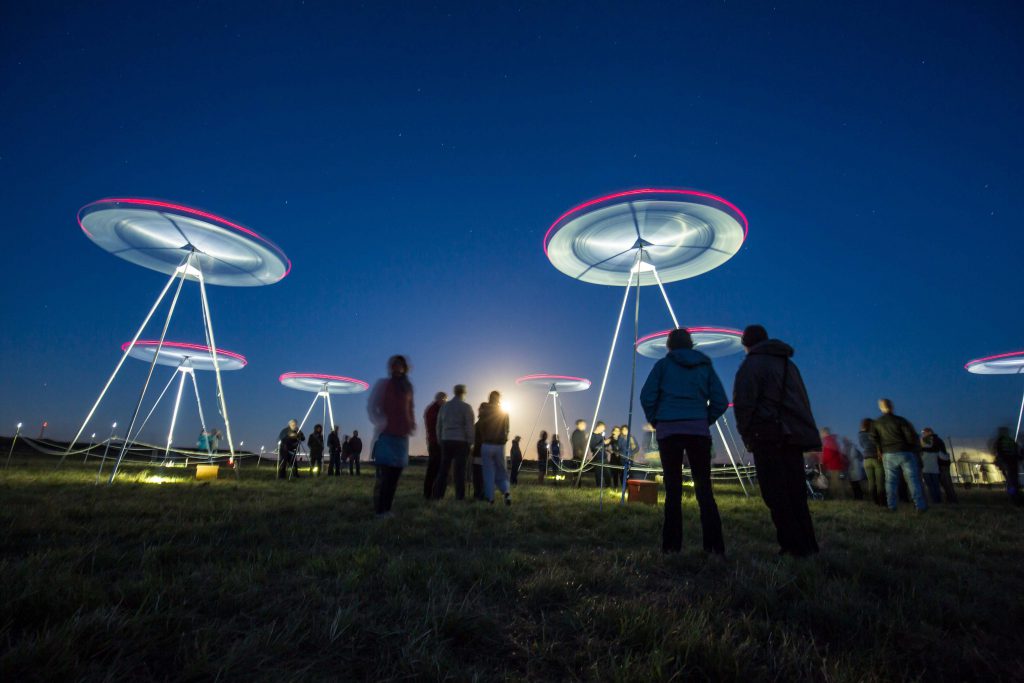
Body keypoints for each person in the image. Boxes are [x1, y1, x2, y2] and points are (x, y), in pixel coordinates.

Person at [732, 325, 821, 557]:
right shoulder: (789, 365)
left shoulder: (751, 365)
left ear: (746, 343)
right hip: (792, 435)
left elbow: (744, 404)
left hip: (767, 435)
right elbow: (801, 400)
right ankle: (808, 544)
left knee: (775, 492)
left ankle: (792, 546)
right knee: (796, 492)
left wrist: (747, 434)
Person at [641, 327, 728, 555]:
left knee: (673, 489)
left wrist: (657, 420)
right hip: (698, 432)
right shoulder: (705, 365)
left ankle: (671, 547)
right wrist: (703, 419)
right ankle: (714, 547)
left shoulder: (662, 366)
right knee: (704, 489)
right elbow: (720, 400)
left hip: (669, 432)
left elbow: (646, 396)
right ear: (691, 344)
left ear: (669, 345)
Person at [367, 355, 416, 516]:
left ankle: (387, 508)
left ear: (404, 367)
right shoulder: (383, 384)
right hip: (387, 435)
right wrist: (382, 422)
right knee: (385, 475)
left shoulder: (407, 387)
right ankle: (380, 510)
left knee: (395, 475)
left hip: (402, 437)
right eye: (394, 364)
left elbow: (410, 408)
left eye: (400, 365)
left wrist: (411, 423)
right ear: (390, 367)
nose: (397, 367)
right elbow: (372, 406)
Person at [869, 398, 928, 512]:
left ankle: (892, 505)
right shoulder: (901, 420)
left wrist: (880, 448)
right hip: (904, 451)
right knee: (912, 479)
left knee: (891, 481)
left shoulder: (877, 423)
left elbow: (873, 437)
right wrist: (909, 447)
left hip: (888, 453)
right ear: (892, 407)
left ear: (881, 408)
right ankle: (919, 505)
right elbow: (910, 436)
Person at [432, 384, 475, 500]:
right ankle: (460, 497)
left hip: (446, 440)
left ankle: (438, 496)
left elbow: (439, 425)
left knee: (443, 470)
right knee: (459, 471)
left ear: (454, 392)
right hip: (461, 442)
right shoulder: (466, 407)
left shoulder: (445, 407)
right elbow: (469, 426)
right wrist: (471, 442)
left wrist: (440, 439)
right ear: (464, 393)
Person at [476, 390, 512, 505]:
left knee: (488, 473)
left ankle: (490, 498)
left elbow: (480, 426)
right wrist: (504, 439)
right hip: (500, 446)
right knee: (502, 472)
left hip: (486, 444)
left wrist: (483, 438)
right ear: (499, 399)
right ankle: (506, 491)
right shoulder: (504, 413)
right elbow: (507, 429)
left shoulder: (484, 411)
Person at [922, 428, 957, 503]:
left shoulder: (933, 441)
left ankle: (950, 500)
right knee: (940, 484)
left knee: (944, 483)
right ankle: (947, 499)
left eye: (924, 432)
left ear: (929, 432)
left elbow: (935, 451)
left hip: (940, 464)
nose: (923, 434)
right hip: (938, 465)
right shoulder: (936, 440)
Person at [423, 391, 447, 499]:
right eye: (444, 400)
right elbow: (436, 425)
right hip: (436, 443)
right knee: (434, 469)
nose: (445, 402)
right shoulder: (434, 410)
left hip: (435, 442)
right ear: (440, 399)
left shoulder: (433, 409)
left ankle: (431, 493)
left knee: (435, 469)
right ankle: (430, 494)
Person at [858, 419, 885, 505]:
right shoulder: (874, 434)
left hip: (866, 460)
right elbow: (879, 444)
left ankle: (874, 501)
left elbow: (862, 445)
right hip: (876, 459)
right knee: (880, 481)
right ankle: (882, 501)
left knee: (871, 482)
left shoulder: (860, 435)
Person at [992, 426, 1021, 504]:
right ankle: (1016, 494)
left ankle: (1013, 496)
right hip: (1014, 463)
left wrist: (999, 462)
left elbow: (998, 452)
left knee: (1010, 481)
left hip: (1006, 463)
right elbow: (1017, 451)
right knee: (1014, 480)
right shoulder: (1011, 441)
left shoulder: (1000, 441)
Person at [820, 428, 847, 498]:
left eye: (822, 433)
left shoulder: (829, 441)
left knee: (836, 484)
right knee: (835, 483)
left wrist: (823, 462)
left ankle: (840, 498)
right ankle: (838, 498)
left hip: (834, 466)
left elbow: (828, 454)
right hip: (835, 465)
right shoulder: (831, 440)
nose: (821, 435)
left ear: (825, 433)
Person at [842, 436, 865, 500]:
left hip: (854, 468)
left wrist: (855, 462)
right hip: (852, 468)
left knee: (855, 484)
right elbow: (861, 457)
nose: (844, 442)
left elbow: (857, 457)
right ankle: (857, 497)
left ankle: (859, 497)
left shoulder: (851, 448)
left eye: (845, 441)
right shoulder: (848, 448)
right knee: (854, 484)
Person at [590, 422, 609, 488]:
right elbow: (593, 447)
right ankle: (599, 487)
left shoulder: (601, 435)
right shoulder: (592, 436)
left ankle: (608, 486)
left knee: (607, 473)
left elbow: (603, 445)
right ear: (598, 427)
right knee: (598, 473)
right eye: (602, 428)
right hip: (597, 457)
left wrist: (607, 443)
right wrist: (603, 442)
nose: (603, 430)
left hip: (604, 457)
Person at [608, 426, 622, 491]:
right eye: (616, 430)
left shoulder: (621, 438)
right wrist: (609, 450)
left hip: (621, 457)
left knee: (622, 472)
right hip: (614, 458)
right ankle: (615, 487)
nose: (617, 432)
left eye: (618, 431)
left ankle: (624, 487)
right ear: (613, 431)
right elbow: (605, 446)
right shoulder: (610, 438)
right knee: (615, 473)